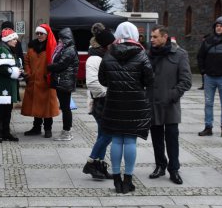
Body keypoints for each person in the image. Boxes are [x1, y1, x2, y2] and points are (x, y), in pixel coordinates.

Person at [99, 21, 154, 194]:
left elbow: (102, 79)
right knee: (130, 140)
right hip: (135, 103)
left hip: (114, 102)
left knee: (116, 140)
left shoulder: (109, 54)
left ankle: (116, 179)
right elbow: (149, 80)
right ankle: (127, 180)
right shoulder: (141, 55)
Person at [147, 25, 192, 185]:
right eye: (151, 36)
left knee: (172, 137)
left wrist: (172, 95)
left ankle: (174, 169)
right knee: (156, 138)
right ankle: (160, 165)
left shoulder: (180, 54)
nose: (151, 39)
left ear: (164, 37)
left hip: (170, 104)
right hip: (153, 103)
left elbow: (186, 81)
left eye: (154, 36)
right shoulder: (148, 55)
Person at [82, 23, 115, 180]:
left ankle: (99, 166)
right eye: (111, 44)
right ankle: (91, 162)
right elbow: (93, 84)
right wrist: (110, 93)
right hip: (100, 101)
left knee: (103, 134)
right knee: (109, 133)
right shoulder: (94, 58)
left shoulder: (104, 56)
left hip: (104, 100)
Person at [21, 24, 59, 139]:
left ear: (46, 35)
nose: (39, 35)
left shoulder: (52, 47)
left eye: (41, 33)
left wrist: (49, 75)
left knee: (47, 107)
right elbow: (26, 61)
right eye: (37, 33)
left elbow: (55, 63)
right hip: (33, 80)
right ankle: (36, 128)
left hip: (46, 82)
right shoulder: (32, 47)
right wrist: (28, 73)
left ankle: (48, 129)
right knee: (36, 105)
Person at [0, 28, 23, 143]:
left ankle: (5, 133)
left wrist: (18, 70)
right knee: (1, 110)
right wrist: (14, 71)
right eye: (14, 39)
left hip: (7, 85)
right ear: (8, 39)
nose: (16, 41)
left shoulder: (8, 48)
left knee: (7, 110)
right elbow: (0, 67)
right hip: (2, 86)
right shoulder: (1, 48)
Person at [46, 27, 79, 141]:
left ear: (66, 39)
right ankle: (66, 131)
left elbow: (61, 65)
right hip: (62, 81)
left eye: (61, 39)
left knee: (65, 108)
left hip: (65, 82)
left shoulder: (69, 50)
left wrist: (48, 67)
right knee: (65, 107)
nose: (59, 41)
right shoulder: (65, 48)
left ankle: (67, 132)